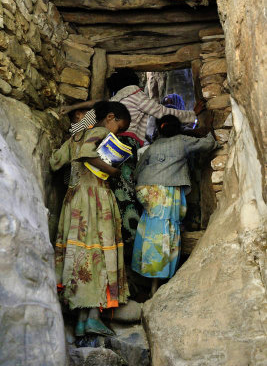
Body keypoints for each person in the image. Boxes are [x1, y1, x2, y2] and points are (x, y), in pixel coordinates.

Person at [58, 69, 205, 261]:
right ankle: (131, 238)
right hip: (125, 147)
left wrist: (71, 119)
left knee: (112, 190)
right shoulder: (134, 92)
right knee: (127, 191)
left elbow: (86, 117)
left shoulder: (112, 102)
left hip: (106, 147)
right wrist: (191, 114)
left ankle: (113, 234)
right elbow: (160, 111)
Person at [50, 101, 131, 337]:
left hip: (73, 198)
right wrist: (113, 170)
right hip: (95, 197)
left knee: (81, 255)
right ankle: (93, 318)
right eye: (119, 127)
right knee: (99, 255)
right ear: (110, 117)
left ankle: (81, 321)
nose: (117, 133)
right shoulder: (102, 133)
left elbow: (55, 162)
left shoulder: (75, 138)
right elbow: (88, 156)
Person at [131, 114, 218, 296]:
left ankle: (146, 277)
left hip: (144, 190)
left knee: (149, 229)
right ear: (178, 128)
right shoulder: (182, 141)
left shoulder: (152, 147)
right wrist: (210, 129)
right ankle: (156, 286)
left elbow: (137, 171)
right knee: (163, 234)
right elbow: (208, 144)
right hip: (164, 191)